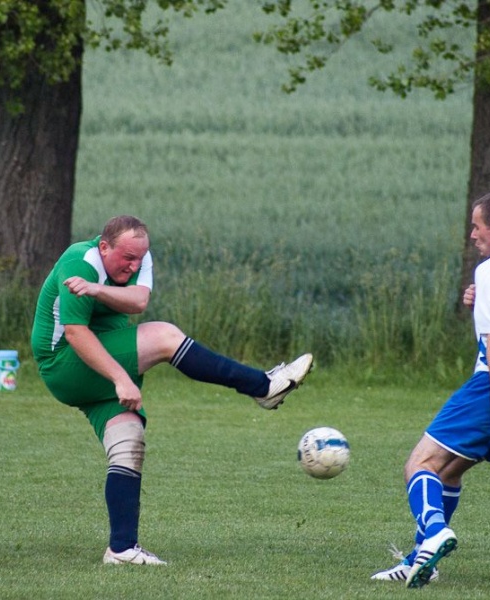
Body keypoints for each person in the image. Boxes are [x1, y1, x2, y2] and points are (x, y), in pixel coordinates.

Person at [31, 215, 313, 565]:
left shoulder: (137, 257)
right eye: (127, 259)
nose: (134, 265)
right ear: (104, 247)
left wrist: (99, 290)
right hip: (64, 362)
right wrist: (121, 378)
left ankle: (121, 549)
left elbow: (138, 302)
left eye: (139, 258)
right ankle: (263, 386)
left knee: (128, 442)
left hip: (97, 358)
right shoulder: (81, 261)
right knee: (164, 336)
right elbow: (75, 333)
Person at [371, 190, 490, 588]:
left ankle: (434, 534)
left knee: (419, 464)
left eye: (476, 227)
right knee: (450, 471)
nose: (472, 235)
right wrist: (483, 299)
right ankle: (420, 561)